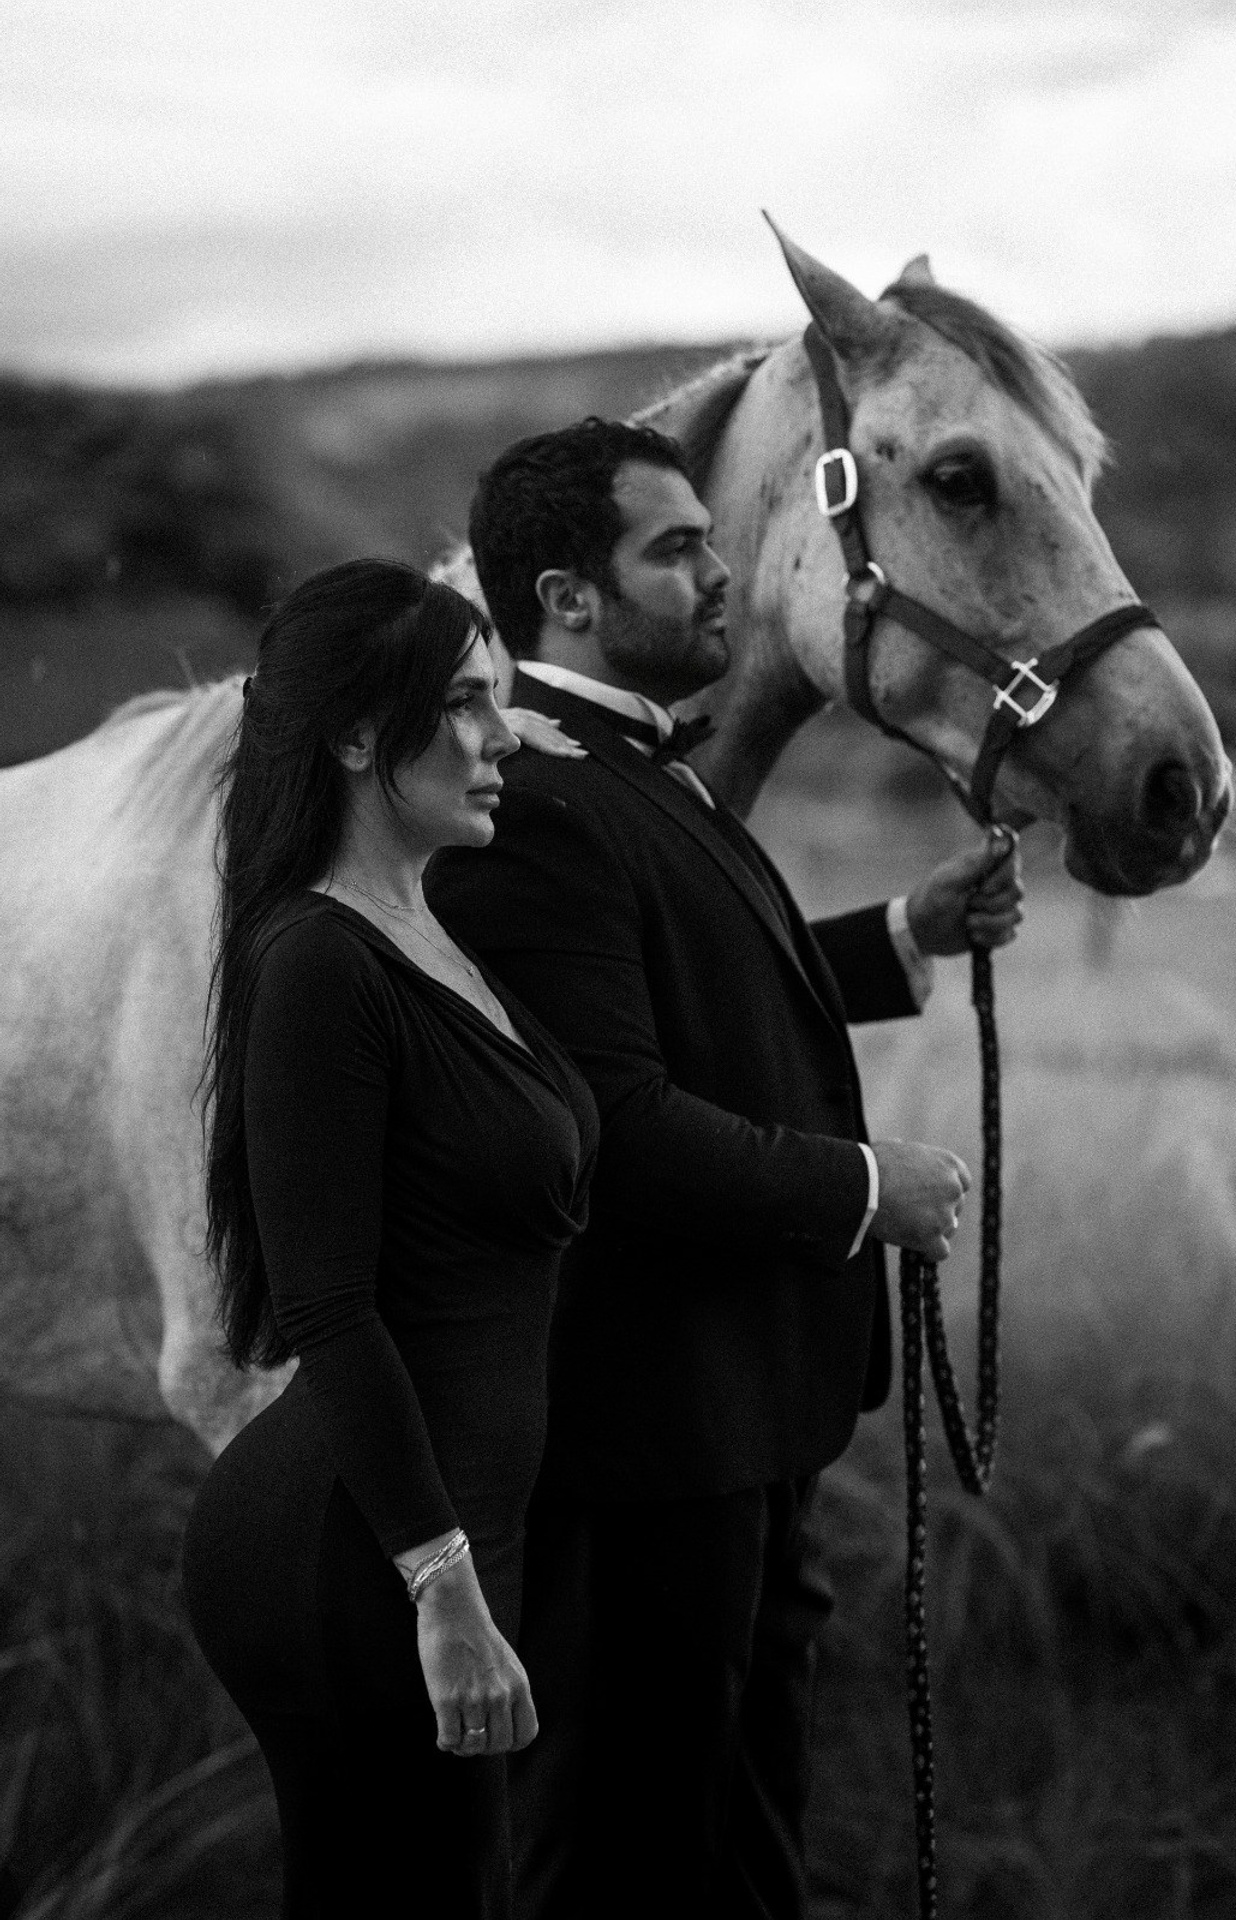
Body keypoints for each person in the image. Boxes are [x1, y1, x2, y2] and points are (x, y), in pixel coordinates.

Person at [427, 420, 1023, 1920]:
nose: (723, 573)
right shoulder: (533, 805)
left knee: (744, 1831)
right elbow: (612, 1121)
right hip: (640, 1441)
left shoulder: (637, 772)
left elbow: (702, 1004)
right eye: (676, 548)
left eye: (711, 537)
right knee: (620, 1851)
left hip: (740, 1415)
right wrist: (858, 1191)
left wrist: (904, 936)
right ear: (566, 596)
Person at [182, 559, 599, 1920]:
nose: (502, 741)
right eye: (468, 705)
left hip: (448, 1533)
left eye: (504, 703)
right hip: (360, 1556)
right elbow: (329, 1310)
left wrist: (898, 941)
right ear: (361, 735)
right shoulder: (318, 960)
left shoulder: (429, 925)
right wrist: (445, 1591)